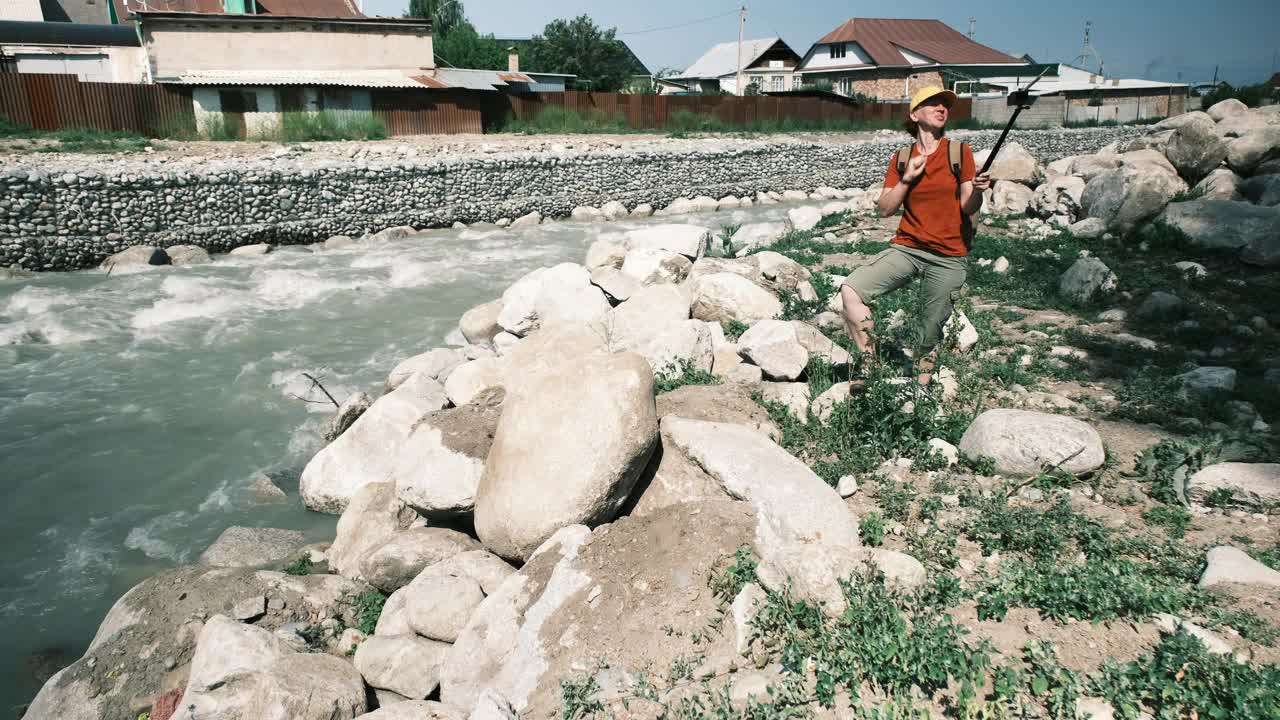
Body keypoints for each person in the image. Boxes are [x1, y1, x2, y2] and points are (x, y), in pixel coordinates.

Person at [839, 86, 991, 385]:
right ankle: (871, 367)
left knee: (927, 330)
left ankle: (921, 393)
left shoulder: (959, 153)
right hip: (907, 249)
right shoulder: (901, 157)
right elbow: (884, 209)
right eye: (932, 103)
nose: (941, 108)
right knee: (851, 290)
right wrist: (908, 178)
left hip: (949, 256)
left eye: (945, 104)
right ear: (914, 114)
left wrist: (979, 192)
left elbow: (967, 205)